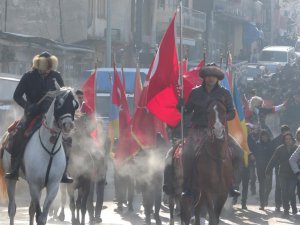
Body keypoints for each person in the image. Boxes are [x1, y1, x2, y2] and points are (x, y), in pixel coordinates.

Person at [5, 51, 73, 183]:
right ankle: (14, 169)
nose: (47, 70)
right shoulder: (28, 76)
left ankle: (64, 172)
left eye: (49, 67)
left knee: (66, 139)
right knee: (18, 135)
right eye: (45, 67)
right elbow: (17, 95)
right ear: (38, 65)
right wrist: (28, 106)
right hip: (32, 114)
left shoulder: (56, 76)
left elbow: (63, 96)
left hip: (52, 116)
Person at [180, 63, 240, 198]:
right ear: (204, 77)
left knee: (238, 153)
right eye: (208, 76)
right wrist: (182, 106)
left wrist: (222, 118)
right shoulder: (195, 92)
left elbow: (232, 113)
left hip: (219, 131)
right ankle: (187, 186)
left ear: (218, 78)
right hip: (199, 131)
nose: (211, 79)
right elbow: (188, 111)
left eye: (213, 76)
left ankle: (231, 184)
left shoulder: (224, 93)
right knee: (187, 154)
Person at [266, 132, 298, 218]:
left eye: (289, 139)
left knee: (291, 191)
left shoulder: (296, 149)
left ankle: (294, 207)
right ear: (284, 140)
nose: (288, 141)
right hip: (283, 174)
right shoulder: (280, 149)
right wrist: (268, 171)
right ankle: (286, 209)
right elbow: (273, 160)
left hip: (293, 174)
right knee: (284, 192)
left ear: (292, 139)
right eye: (286, 139)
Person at [252, 130, 273, 210]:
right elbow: (254, 154)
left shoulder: (271, 144)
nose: (264, 137)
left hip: (269, 168)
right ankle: (262, 203)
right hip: (260, 168)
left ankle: (265, 198)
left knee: (269, 186)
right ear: (261, 137)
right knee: (262, 186)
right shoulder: (257, 144)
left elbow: (273, 156)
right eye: (263, 136)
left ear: (268, 136)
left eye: (266, 136)